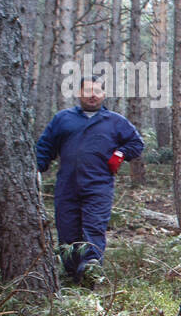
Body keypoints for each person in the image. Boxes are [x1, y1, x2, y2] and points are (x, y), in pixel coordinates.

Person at [35, 76, 144, 286]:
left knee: (93, 228)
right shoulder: (63, 119)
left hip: (99, 186)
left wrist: (121, 153)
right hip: (66, 185)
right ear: (79, 93)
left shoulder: (115, 121)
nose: (92, 95)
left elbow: (136, 143)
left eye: (97, 91)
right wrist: (36, 169)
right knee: (67, 230)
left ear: (104, 95)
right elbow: (45, 147)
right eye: (87, 91)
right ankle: (70, 276)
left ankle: (91, 274)